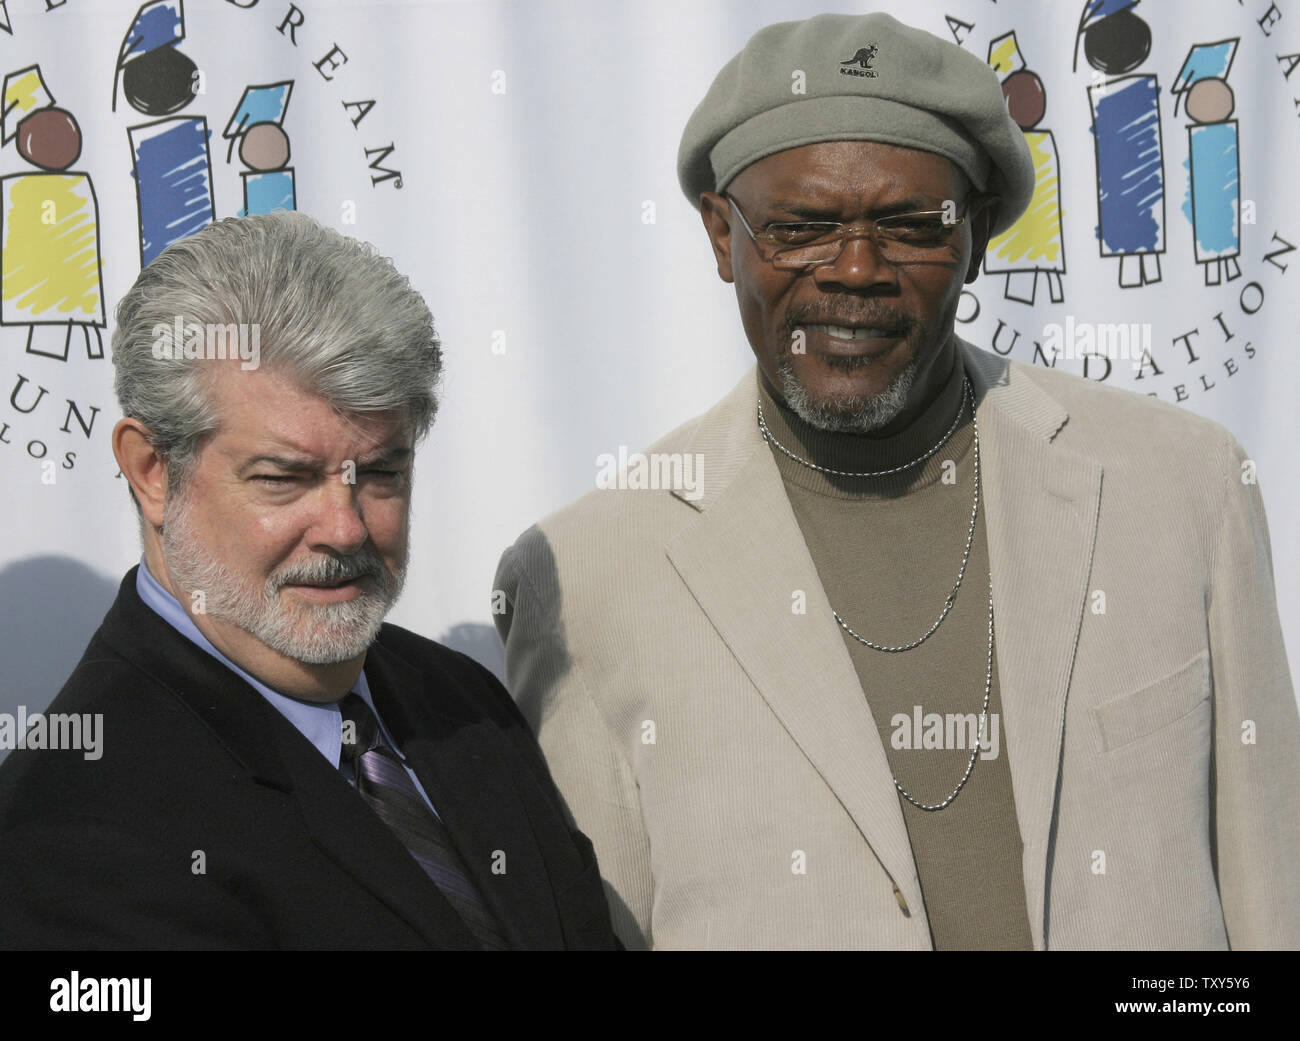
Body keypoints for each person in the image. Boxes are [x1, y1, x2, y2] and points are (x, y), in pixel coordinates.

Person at [494, 12, 1300, 950]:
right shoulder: (589, 578)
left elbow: (1271, 895)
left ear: (982, 237)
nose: (856, 271)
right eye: (801, 228)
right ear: (722, 234)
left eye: (912, 226)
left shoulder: (1179, 484)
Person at [0, 211, 617, 950]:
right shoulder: (73, 831)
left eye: (382, 472)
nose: (347, 527)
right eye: (284, 477)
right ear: (151, 470)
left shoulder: (462, 701)